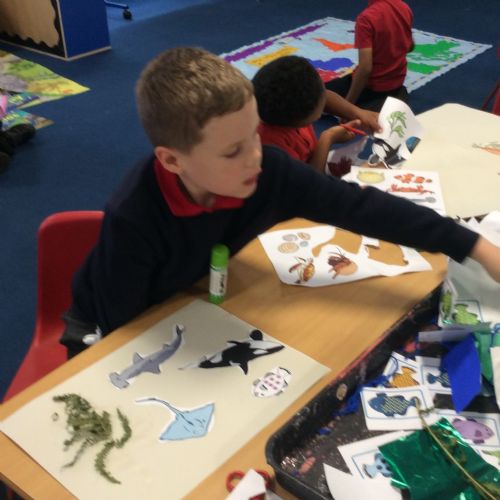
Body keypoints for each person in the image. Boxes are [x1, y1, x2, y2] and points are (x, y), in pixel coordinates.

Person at [60, 47, 500, 358]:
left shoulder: (267, 171)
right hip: (105, 326)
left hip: (196, 292)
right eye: (232, 151)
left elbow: (363, 208)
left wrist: (475, 245)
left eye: (254, 135)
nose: (255, 156)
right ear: (173, 160)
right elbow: (123, 332)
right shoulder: (135, 216)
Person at [252, 55, 375, 174]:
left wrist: (359, 113)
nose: (325, 96)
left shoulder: (285, 110)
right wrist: (327, 139)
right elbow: (309, 184)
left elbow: (325, 97)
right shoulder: (273, 148)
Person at [325, 0, 414, 112]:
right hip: (396, 84)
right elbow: (410, 46)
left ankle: (368, 105)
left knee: (318, 94)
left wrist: (348, 105)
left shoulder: (366, 19)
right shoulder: (404, 7)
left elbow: (365, 69)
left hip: (372, 88)